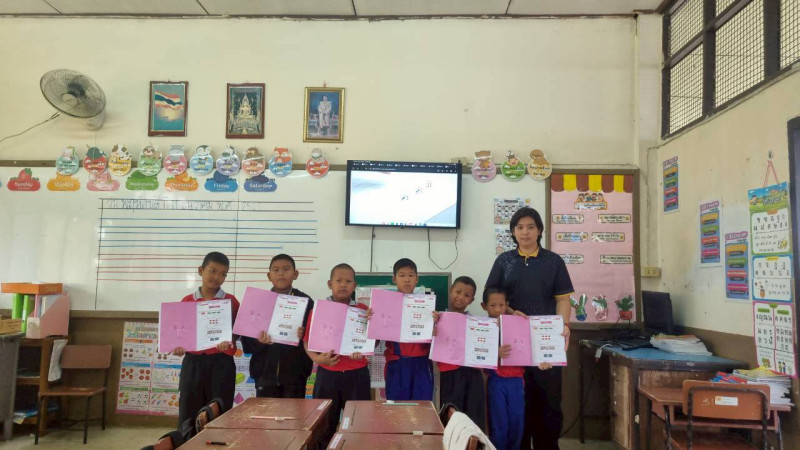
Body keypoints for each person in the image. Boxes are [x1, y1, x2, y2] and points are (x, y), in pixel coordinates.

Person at [485, 207, 573, 450]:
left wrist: (564, 325)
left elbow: (563, 299)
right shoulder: (504, 261)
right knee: (518, 405)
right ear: (513, 232)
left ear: (539, 230)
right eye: (520, 227)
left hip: (546, 342)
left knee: (548, 403)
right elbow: (492, 298)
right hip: (512, 343)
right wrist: (511, 311)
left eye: (531, 227)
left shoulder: (553, 261)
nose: (525, 232)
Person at [303, 263, 371, 444]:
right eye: (339, 280)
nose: (343, 285)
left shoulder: (363, 311)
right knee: (324, 426)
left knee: (358, 425)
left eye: (348, 281)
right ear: (329, 284)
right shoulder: (319, 309)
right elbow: (307, 341)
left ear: (354, 286)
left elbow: (372, 341)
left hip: (357, 374)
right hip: (327, 374)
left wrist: (363, 349)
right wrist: (317, 359)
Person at [173, 252, 240, 428]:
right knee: (188, 414)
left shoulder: (231, 302)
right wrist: (178, 347)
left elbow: (238, 333)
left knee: (219, 415)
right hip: (193, 364)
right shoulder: (187, 301)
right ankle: (188, 442)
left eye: (223, 274)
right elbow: (180, 334)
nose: (217, 277)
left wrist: (229, 340)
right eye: (212, 271)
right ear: (200, 270)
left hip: (221, 364)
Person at [240, 254, 314, 399]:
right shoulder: (257, 302)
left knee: (294, 414)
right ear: (269, 276)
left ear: (295, 274)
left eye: (286, 269)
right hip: (265, 375)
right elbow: (246, 343)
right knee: (266, 414)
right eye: (276, 270)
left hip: (295, 376)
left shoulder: (306, 301)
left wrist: (304, 334)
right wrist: (259, 341)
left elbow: (315, 336)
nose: (281, 273)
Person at [434, 276, 487, 431]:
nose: (461, 297)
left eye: (467, 295)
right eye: (458, 292)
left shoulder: (477, 323)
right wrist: (432, 327)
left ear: (472, 300)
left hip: (472, 373)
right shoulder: (437, 319)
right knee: (451, 416)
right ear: (450, 291)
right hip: (449, 374)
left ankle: (473, 442)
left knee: (473, 417)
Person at [379, 258, 434, 401]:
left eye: (410, 275)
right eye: (402, 275)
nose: (407, 279)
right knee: (397, 408)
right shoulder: (386, 304)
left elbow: (435, 338)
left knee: (422, 408)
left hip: (421, 363)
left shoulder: (426, 306)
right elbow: (377, 334)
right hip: (397, 364)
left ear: (417, 279)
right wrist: (373, 318)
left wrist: (435, 326)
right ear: (394, 279)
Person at [482, 286, 525, 450]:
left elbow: (529, 346)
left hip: (516, 380)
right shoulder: (482, 327)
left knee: (517, 421)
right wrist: (494, 352)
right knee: (498, 422)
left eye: (501, 305)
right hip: (496, 380)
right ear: (484, 306)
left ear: (507, 305)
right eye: (492, 305)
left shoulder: (518, 323)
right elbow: (476, 352)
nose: (497, 309)